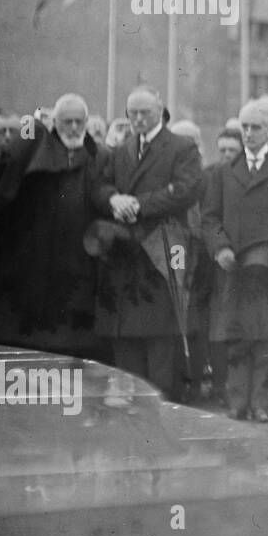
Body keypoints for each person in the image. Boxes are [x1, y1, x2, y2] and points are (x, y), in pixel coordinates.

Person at [91, 86, 202, 399]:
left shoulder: (181, 148)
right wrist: (114, 200)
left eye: (145, 113)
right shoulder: (123, 149)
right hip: (125, 261)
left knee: (160, 348)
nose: (138, 119)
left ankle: (162, 416)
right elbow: (100, 185)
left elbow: (186, 189)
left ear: (159, 111)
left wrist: (138, 204)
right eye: (132, 113)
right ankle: (133, 419)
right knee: (127, 349)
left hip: (159, 257)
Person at [202, 98, 268, 421]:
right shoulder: (223, 172)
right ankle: (237, 402)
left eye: (255, 127)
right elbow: (210, 218)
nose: (248, 133)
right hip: (234, 270)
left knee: (267, 339)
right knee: (236, 338)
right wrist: (220, 249)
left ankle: (262, 403)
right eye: (244, 127)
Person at [0, 94, 103, 356]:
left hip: (79, 265)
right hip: (35, 268)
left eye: (78, 122)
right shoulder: (32, 153)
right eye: (66, 121)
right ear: (54, 123)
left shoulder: (98, 156)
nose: (73, 128)